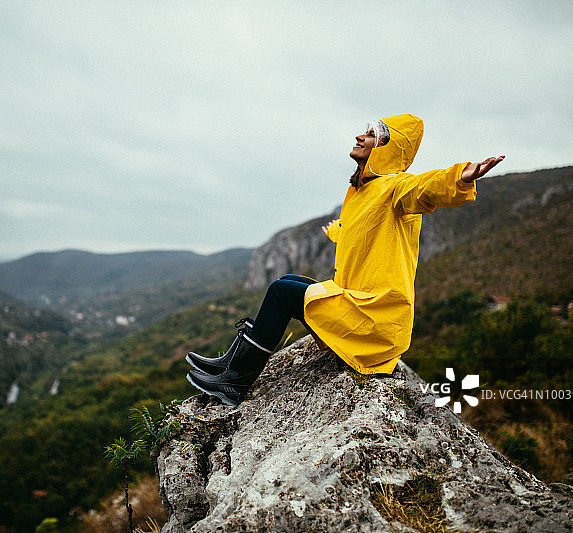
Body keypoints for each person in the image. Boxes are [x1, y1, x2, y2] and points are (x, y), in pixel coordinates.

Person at [186, 114, 505, 406]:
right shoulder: (365, 191)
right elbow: (364, 232)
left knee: (282, 294)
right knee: (288, 283)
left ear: (386, 147)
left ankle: (235, 382)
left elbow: (422, 189)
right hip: (361, 304)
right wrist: (338, 232)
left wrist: (458, 179)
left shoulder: (394, 186)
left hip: (376, 318)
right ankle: (230, 364)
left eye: (370, 134)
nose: (359, 137)